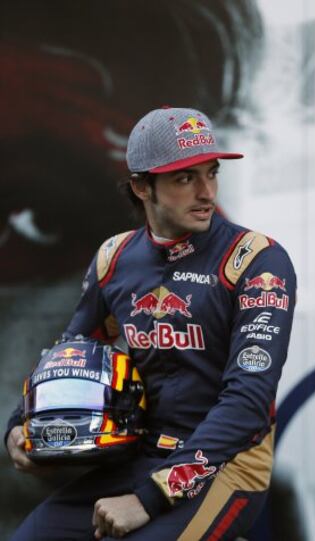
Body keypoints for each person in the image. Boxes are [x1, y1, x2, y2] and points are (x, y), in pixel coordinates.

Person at [5, 106, 296, 540]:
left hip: (226, 465)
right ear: (142, 187)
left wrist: (150, 497)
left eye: (211, 173)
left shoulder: (256, 261)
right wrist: (17, 424)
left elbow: (248, 401)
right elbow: (69, 353)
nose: (206, 192)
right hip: (134, 458)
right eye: (185, 178)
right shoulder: (115, 258)